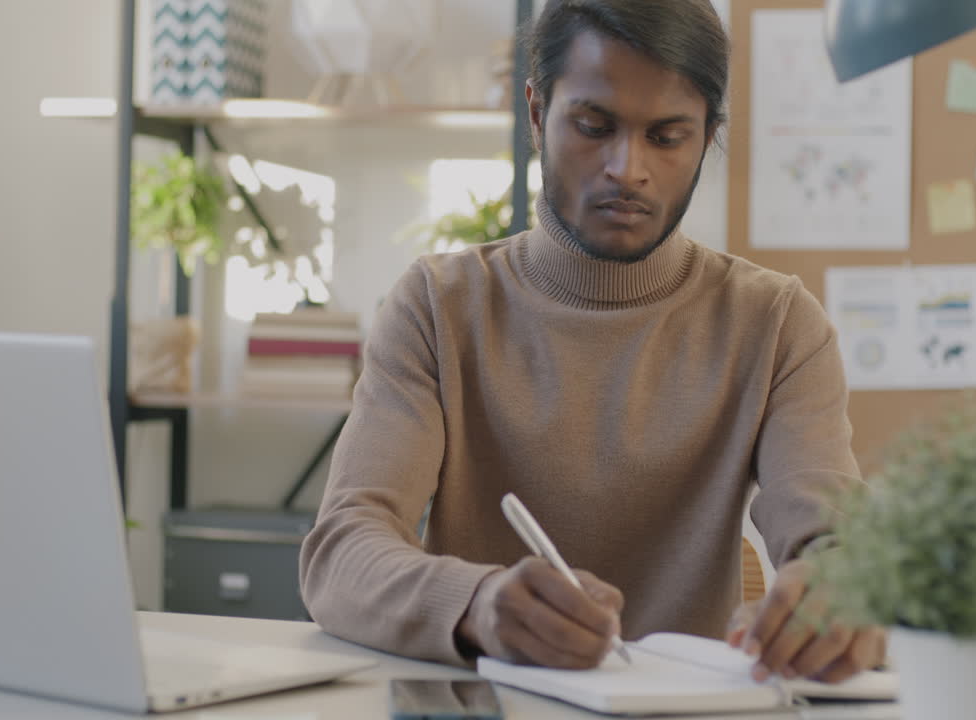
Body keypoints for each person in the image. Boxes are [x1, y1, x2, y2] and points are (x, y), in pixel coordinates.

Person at [299, 0, 885, 683]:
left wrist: (839, 591)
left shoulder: (777, 323)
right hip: (490, 701)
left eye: (667, 137)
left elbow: (835, 538)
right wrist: (479, 605)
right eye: (594, 126)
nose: (627, 169)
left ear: (708, 136)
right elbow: (340, 554)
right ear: (537, 112)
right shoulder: (437, 306)